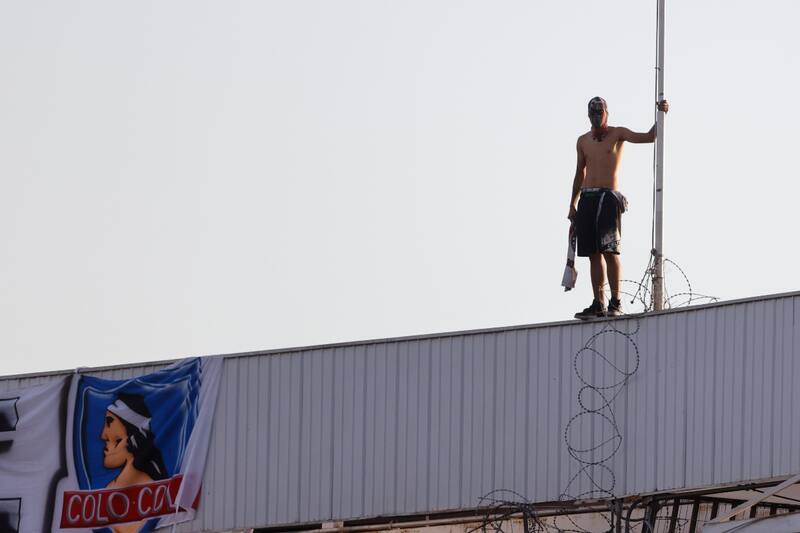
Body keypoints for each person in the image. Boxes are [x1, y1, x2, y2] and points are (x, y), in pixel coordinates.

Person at [568, 96, 669, 319]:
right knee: (593, 253)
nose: (596, 116)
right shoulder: (583, 141)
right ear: (587, 115)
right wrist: (572, 204)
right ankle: (598, 303)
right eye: (593, 112)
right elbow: (579, 173)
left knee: (609, 251)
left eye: (600, 112)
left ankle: (616, 301)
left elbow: (650, 137)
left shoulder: (617, 134)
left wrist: (661, 114)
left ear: (607, 113)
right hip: (587, 198)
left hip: (607, 197)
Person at [100, 393, 167, 533]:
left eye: (109, 422)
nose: (103, 435)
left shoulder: (150, 492)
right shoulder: (111, 487)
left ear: (133, 438)